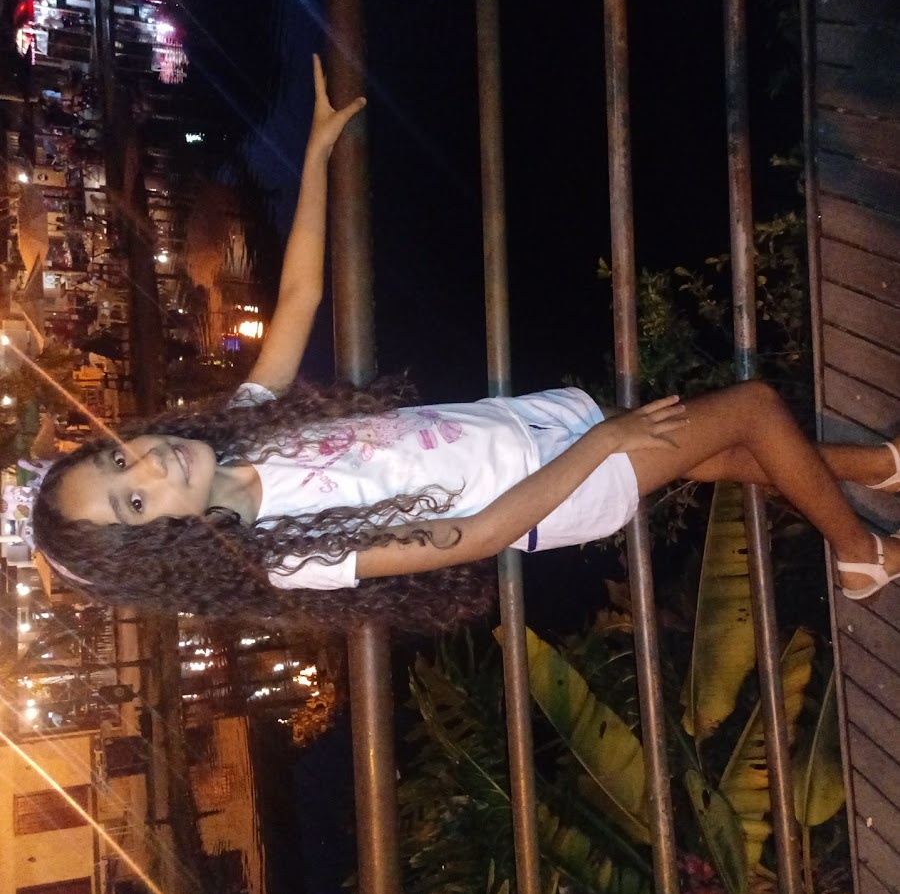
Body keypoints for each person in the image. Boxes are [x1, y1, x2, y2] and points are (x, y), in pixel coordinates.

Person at [31, 57, 900, 633]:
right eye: (134, 503)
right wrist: (602, 443)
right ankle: (862, 556)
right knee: (750, 408)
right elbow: (475, 535)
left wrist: (318, 156)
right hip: (557, 486)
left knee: (717, 457)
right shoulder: (285, 555)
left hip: (533, 430)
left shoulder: (245, 431)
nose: (147, 467)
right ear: (161, 547)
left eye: (116, 460)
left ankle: (879, 469)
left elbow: (299, 297)